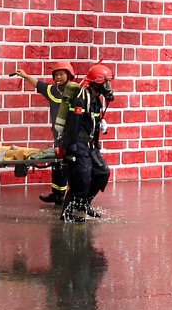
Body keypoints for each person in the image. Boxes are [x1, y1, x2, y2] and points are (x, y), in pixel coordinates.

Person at [7, 59, 81, 207]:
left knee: (70, 166)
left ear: (69, 75)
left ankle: (72, 198)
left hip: (73, 137)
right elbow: (39, 84)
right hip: (58, 136)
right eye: (56, 75)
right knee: (57, 164)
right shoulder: (53, 91)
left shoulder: (77, 93)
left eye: (62, 74)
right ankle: (57, 195)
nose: (59, 77)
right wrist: (25, 76)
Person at [59, 63, 113, 222]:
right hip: (78, 143)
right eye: (105, 82)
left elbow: (92, 121)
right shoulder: (81, 100)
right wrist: (70, 149)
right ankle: (66, 213)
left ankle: (83, 203)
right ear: (96, 82)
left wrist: (100, 124)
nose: (108, 86)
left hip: (90, 144)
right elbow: (73, 125)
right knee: (81, 176)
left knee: (102, 172)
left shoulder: (96, 100)